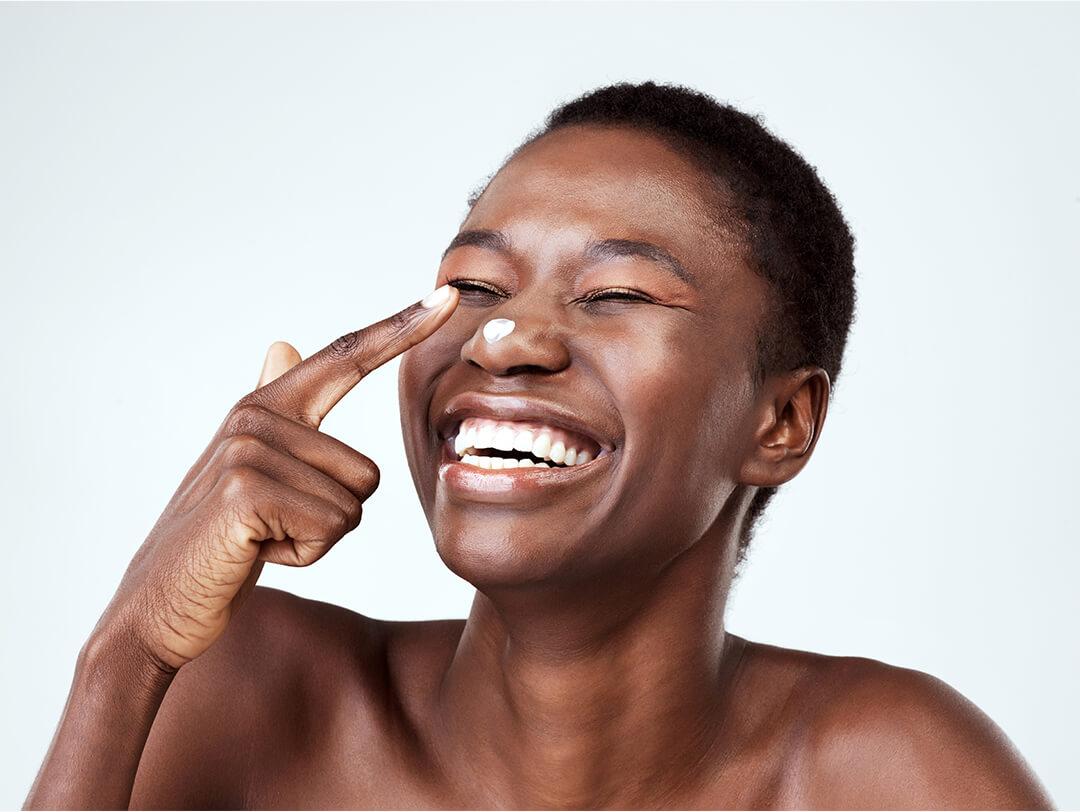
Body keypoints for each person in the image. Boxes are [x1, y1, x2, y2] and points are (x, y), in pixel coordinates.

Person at [25, 82, 1052, 810]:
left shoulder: (888, 774)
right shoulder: (255, 692)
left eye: (615, 294)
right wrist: (126, 655)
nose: (503, 337)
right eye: (473, 286)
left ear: (779, 424)